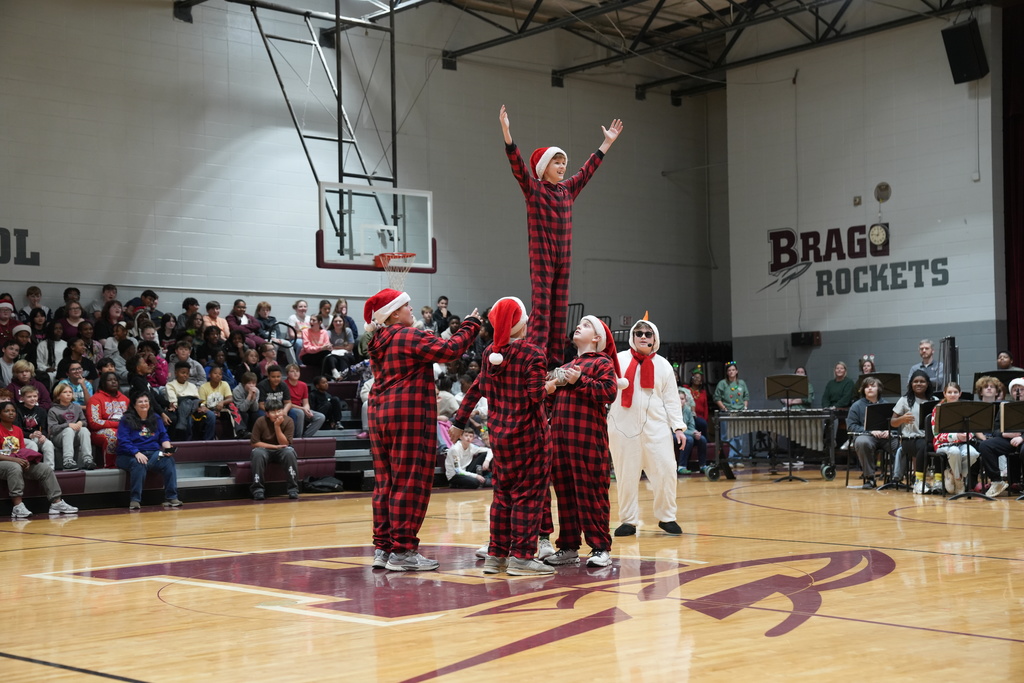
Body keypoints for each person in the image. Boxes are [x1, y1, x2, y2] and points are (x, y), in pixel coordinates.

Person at [365, 287, 481, 572]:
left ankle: (384, 547)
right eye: (407, 306)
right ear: (394, 313)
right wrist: (471, 325)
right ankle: (403, 550)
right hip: (408, 414)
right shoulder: (406, 335)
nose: (412, 310)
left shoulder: (378, 340)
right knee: (410, 480)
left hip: (379, 413)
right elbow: (450, 350)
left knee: (386, 482)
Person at [500, 104, 623, 366]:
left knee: (559, 309)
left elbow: (587, 171)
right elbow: (518, 166)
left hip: (563, 259)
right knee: (542, 306)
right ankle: (535, 355)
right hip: (542, 256)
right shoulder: (533, 189)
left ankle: (554, 361)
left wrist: (605, 144)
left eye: (564, 162)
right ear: (544, 167)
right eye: (557, 161)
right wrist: (507, 135)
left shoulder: (568, 190)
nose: (562, 166)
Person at [450, 296, 550, 575]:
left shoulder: (489, 356)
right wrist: (552, 385)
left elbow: (475, 389)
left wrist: (459, 421)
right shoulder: (533, 354)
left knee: (502, 496)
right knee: (528, 497)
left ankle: (496, 554)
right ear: (518, 324)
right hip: (530, 436)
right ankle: (521, 557)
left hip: (500, 437)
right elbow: (535, 395)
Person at [544, 315, 622, 568]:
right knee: (565, 494)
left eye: (587, 325)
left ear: (597, 338)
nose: (579, 326)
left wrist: (580, 381)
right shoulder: (566, 365)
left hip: (588, 440)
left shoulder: (602, 362)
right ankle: (568, 546)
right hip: (561, 440)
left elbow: (609, 392)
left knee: (592, 492)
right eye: (579, 324)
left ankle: (600, 547)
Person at [607, 316, 683, 538]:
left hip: (657, 428)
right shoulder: (617, 360)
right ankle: (628, 521)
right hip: (622, 428)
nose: (642, 336)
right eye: (638, 333)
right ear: (632, 337)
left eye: (647, 334)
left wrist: (678, 427)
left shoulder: (664, 365)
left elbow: (671, 399)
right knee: (625, 475)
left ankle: (667, 517)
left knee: (666, 471)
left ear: (654, 339)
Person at [1, 401, 79, 518]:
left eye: (13, 411)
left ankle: (56, 503)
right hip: (4, 463)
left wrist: (26, 460)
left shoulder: (17, 430)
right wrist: (15, 460)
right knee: (15, 467)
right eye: (7, 411)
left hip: (17, 460)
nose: (11, 413)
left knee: (45, 468)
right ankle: (17, 506)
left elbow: (22, 450)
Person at [116, 392, 180, 510]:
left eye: (146, 401)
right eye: (140, 402)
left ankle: (172, 497)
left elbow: (163, 436)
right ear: (134, 405)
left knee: (168, 460)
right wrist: (136, 452)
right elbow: (123, 441)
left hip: (153, 454)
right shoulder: (126, 419)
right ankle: (135, 500)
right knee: (139, 463)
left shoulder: (156, 418)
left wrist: (167, 449)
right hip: (129, 455)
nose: (144, 404)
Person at [977, 378, 1024, 498]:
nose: (1018, 392)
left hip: (1022, 439)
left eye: (1022, 389)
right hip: (1008, 439)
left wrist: (1022, 437)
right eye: (1015, 390)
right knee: (985, 445)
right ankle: (997, 481)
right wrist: (1004, 434)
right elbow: (995, 429)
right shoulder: (1005, 406)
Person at [890, 370, 935, 493]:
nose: (918, 384)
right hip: (909, 440)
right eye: (915, 381)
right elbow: (893, 422)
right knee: (924, 446)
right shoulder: (904, 400)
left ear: (927, 384)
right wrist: (902, 419)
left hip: (929, 439)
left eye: (922, 381)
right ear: (911, 384)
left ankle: (939, 482)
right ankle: (919, 481)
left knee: (940, 448)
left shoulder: (934, 400)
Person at [931, 381, 979, 495]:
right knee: (954, 451)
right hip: (943, 443)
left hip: (962, 442)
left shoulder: (965, 408)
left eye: (955, 392)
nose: (952, 394)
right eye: (949, 392)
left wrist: (968, 435)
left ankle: (953, 474)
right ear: (944, 394)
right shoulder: (938, 409)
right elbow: (936, 434)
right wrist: (956, 436)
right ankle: (959, 481)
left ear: (960, 394)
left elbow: (972, 428)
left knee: (973, 454)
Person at [248, 397, 300, 501]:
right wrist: (274, 447)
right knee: (257, 453)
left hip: (283, 449)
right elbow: (254, 443)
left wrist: (277, 426)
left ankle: (293, 489)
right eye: (273, 412)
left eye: (279, 411)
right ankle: (258, 490)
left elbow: (285, 444)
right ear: (267, 413)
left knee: (289, 452)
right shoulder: (260, 421)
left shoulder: (289, 421)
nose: (277, 414)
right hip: (265, 449)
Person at [846, 376, 891, 489]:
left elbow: (894, 423)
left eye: (873, 386)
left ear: (879, 389)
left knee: (900, 444)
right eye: (867, 387)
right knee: (862, 442)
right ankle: (869, 478)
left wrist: (888, 430)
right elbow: (851, 426)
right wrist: (869, 431)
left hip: (884, 437)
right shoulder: (856, 406)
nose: (869, 389)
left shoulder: (886, 405)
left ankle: (895, 477)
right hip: (866, 436)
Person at [47, 383, 96, 471]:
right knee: (69, 430)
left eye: (70, 392)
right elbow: (52, 429)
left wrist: (81, 423)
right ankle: (67, 461)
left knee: (84, 430)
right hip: (58, 438)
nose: (68, 394)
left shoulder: (77, 407)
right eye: (65, 392)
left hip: (74, 437)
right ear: (58, 396)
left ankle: (88, 460)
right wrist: (68, 425)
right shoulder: (53, 410)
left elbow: (85, 422)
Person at [166, 361, 216, 441]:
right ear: (176, 373)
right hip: (181, 408)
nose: (185, 375)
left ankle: (208, 440)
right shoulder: (170, 385)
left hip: (195, 406)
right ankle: (188, 442)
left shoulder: (192, 386)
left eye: (187, 373)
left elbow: (198, 399)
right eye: (183, 373)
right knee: (188, 419)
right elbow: (173, 401)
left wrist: (202, 407)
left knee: (211, 415)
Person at [714, 362, 749, 458]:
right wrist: (724, 409)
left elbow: (746, 396)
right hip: (727, 413)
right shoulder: (722, 383)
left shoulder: (741, 383)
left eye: (733, 370)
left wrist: (745, 408)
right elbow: (717, 398)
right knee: (727, 437)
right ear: (727, 372)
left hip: (739, 412)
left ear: (737, 371)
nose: (731, 372)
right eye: (729, 370)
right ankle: (728, 459)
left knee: (739, 437)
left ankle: (738, 458)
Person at [15, 386, 55, 469]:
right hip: (23, 437)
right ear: (22, 398)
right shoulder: (17, 410)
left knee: (48, 444)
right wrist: (30, 435)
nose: (32, 399)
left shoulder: (41, 411)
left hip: (36, 436)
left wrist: (43, 435)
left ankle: (50, 469)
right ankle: (32, 469)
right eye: (29, 397)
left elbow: (43, 428)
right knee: (32, 444)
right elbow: (17, 430)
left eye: (35, 396)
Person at [283, 364, 325, 437]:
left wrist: (307, 409)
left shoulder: (303, 385)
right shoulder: (283, 384)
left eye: (297, 371)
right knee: (300, 413)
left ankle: (305, 437)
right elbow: (287, 403)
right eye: (292, 371)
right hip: (289, 408)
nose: (296, 373)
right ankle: (297, 438)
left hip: (300, 408)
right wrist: (303, 409)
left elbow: (305, 402)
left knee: (320, 417)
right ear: (287, 374)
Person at [323, 315, 355, 380]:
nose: (338, 323)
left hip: (347, 354)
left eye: (340, 321)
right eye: (336, 321)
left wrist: (335, 347)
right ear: (333, 323)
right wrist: (343, 347)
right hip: (334, 354)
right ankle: (335, 373)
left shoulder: (348, 331)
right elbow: (329, 347)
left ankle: (343, 376)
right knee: (330, 359)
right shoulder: (329, 332)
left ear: (343, 322)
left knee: (343, 358)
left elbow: (350, 347)